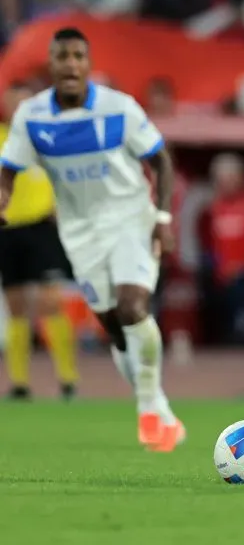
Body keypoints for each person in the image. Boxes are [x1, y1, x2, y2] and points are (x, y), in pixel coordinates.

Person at [0, 27, 185, 452]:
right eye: (61, 56)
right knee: (116, 330)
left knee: (132, 305)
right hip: (79, 232)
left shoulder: (118, 108)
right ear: (52, 64)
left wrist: (161, 216)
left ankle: (152, 402)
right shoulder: (32, 115)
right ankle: (147, 397)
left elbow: (160, 158)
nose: (70, 64)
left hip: (129, 218)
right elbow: (9, 166)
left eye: (78, 56)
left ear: (87, 64)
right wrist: (4, 195)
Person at [0, 82, 80, 399]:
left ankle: (68, 379)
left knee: (50, 302)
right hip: (7, 230)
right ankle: (19, 383)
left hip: (41, 227)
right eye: (12, 103)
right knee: (16, 306)